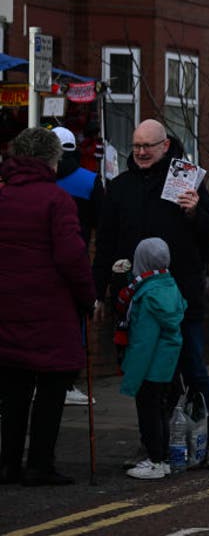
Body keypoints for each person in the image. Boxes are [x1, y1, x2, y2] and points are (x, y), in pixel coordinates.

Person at [93, 118, 209, 467]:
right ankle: (153, 445)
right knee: (146, 375)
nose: (140, 152)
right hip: (136, 299)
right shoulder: (120, 187)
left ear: (164, 146)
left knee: (193, 369)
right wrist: (98, 291)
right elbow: (105, 243)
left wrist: (195, 212)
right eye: (136, 146)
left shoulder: (186, 181)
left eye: (147, 146)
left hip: (182, 297)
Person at [0, 127, 95, 485]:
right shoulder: (57, 201)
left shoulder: (3, 196)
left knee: (14, 390)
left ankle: (8, 463)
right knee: (52, 388)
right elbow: (73, 257)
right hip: (51, 312)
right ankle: (40, 464)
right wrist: (87, 297)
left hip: (7, 309)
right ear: (51, 161)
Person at [119, 238, 187, 480]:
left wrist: (131, 375)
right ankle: (163, 459)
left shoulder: (146, 295)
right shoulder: (170, 286)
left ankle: (155, 461)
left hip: (150, 367)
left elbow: (143, 342)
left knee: (148, 414)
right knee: (160, 412)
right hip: (167, 365)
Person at [51, 126, 99, 408]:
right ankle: (68, 382)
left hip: (42, 264)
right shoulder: (90, 180)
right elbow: (102, 224)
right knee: (74, 322)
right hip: (76, 260)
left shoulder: (41, 180)